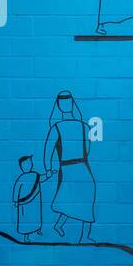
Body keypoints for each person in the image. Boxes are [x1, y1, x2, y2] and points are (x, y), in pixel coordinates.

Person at [43, 90, 96, 244]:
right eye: (63, 102)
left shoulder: (83, 126)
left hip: (80, 166)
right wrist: (48, 168)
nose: (65, 105)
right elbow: (48, 150)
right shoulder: (57, 127)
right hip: (69, 167)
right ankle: (62, 226)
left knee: (85, 195)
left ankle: (83, 235)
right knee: (70, 198)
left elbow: (88, 147)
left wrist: (49, 167)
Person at [11, 155, 42, 242]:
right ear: (21, 167)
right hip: (24, 203)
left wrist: (48, 174)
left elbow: (42, 178)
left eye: (29, 163)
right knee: (26, 220)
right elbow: (16, 189)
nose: (28, 166)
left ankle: (37, 229)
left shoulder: (36, 175)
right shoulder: (21, 178)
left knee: (36, 217)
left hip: (34, 202)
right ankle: (26, 237)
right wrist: (15, 201)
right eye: (26, 165)